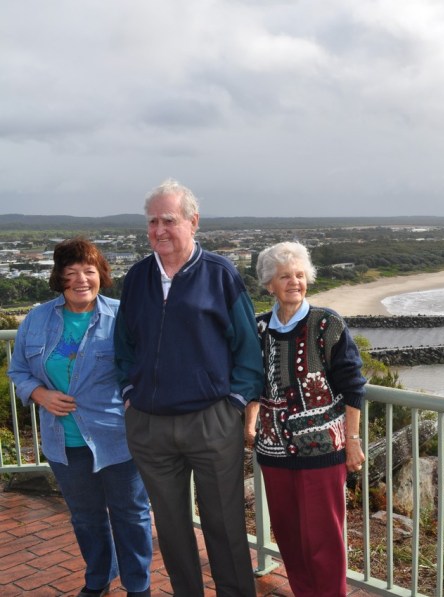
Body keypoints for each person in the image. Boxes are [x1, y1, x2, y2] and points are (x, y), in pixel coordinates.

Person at [113, 179, 264, 596]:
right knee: (172, 529)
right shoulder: (137, 277)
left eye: (169, 220)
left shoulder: (220, 274)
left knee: (224, 525)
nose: (159, 230)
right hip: (149, 425)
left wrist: (232, 404)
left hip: (210, 423)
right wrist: (129, 395)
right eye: (152, 222)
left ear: (193, 222)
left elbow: (248, 351)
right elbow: (123, 347)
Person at [9, 238, 153, 597]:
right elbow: (19, 371)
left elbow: (148, 368)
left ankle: (139, 586)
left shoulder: (123, 315)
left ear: (101, 275)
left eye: (88, 271)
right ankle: (98, 579)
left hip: (117, 436)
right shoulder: (38, 318)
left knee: (130, 515)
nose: (80, 280)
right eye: (70, 273)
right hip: (64, 440)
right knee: (86, 518)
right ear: (59, 278)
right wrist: (40, 394)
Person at [245, 241, 367, 597]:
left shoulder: (327, 324)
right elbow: (254, 383)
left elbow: (353, 386)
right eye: (285, 276)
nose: (294, 282)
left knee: (324, 540)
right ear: (270, 284)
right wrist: (249, 423)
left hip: (323, 451)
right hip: (273, 451)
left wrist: (354, 442)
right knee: (289, 536)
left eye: (300, 275)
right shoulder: (259, 328)